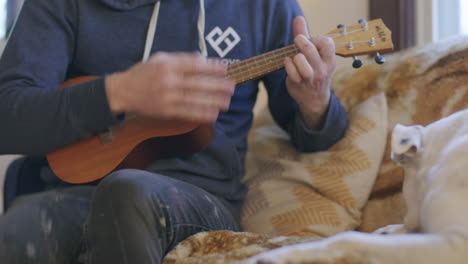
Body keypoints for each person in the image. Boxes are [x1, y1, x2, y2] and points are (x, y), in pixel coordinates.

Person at [0, 0, 348, 263]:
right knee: (20, 229)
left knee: (126, 192)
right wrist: (118, 92)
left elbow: (316, 137)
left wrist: (316, 101)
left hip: (201, 197)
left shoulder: (264, 5)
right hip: (75, 192)